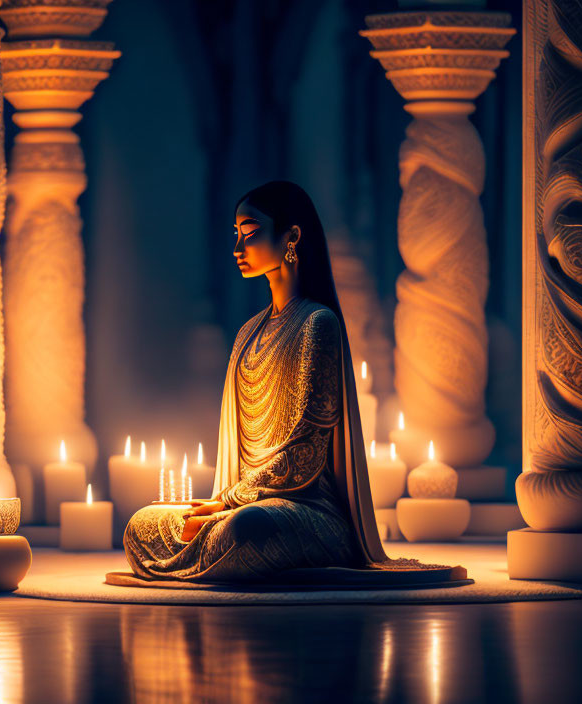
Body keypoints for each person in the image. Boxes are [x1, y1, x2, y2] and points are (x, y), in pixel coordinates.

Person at [122, 181, 389, 582]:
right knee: (142, 525)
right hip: (241, 502)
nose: (237, 248)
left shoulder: (318, 324)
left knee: (248, 530)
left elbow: (304, 454)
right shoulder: (248, 332)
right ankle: (214, 552)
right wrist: (220, 503)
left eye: (248, 232)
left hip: (302, 509)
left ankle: (215, 551)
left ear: (292, 236)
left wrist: (229, 503)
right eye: (235, 235)